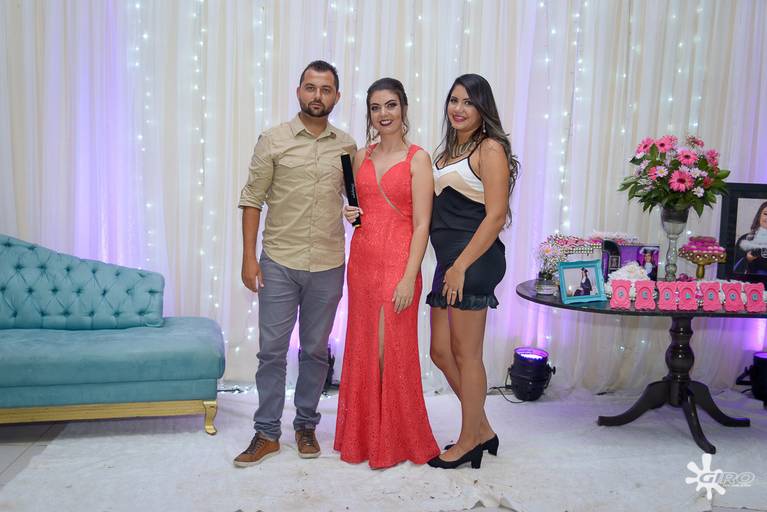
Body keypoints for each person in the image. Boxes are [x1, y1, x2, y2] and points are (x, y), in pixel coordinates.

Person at [234, 61, 357, 467]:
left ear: (337, 96)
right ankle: (266, 433)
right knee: (271, 352)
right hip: (279, 262)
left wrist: (356, 213)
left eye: (326, 89)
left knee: (315, 351)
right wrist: (248, 258)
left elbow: (357, 200)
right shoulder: (272, 140)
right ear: (299, 90)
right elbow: (252, 199)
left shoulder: (347, 147)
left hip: (328, 264)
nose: (317, 96)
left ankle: (306, 425)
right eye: (310, 87)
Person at [335, 78, 439, 468]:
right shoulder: (359, 157)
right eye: (376, 107)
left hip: (399, 262)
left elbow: (422, 225)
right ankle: (362, 437)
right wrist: (350, 214)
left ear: (404, 109)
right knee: (363, 347)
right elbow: (359, 209)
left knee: (390, 348)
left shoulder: (418, 159)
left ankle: (395, 439)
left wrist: (409, 276)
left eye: (391, 105)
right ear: (369, 113)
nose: (384, 114)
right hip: (362, 261)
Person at [426, 74, 519, 469]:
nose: (459, 108)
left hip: (473, 260)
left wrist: (461, 266)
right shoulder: (448, 150)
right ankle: (482, 430)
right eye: (454, 100)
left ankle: (468, 442)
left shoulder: (489, 148)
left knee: (467, 355)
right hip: (449, 262)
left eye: (468, 102)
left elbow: (495, 216)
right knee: (440, 351)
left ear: (483, 108)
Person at [734, 201, 767, 275]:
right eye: (765, 214)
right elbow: (734, 267)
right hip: (750, 280)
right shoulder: (745, 239)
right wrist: (747, 258)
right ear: (759, 216)